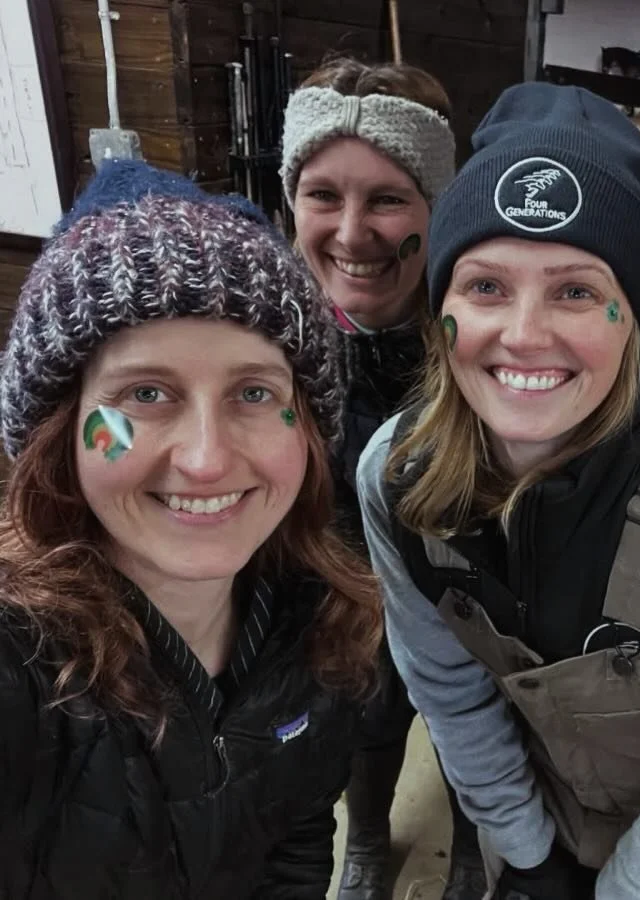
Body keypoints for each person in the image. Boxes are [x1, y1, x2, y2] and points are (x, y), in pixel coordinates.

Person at [357, 82, 640, 899]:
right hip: (539, 824)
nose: (524, 334)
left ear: (633, 320)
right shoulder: (397, 479)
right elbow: (453, 696)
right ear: (440, 309)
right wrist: (528, 856)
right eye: (486, 286)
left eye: (575, 291)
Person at [0, 160, 382, 898]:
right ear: (61, 430)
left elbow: (295, 842)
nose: (206, 460)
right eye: (146, 393)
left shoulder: (320, 627)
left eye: (253, 392)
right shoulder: (19, 668)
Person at [280, 59, 484, 900]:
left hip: (465, 587)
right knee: (364, 710)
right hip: (342, 583)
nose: (353, 232)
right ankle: (365, 834)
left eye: (389, 199)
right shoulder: (273, 338)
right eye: (323, 195)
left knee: (477, 706)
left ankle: (475, 847)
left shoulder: (482, 331)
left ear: (437, 208)